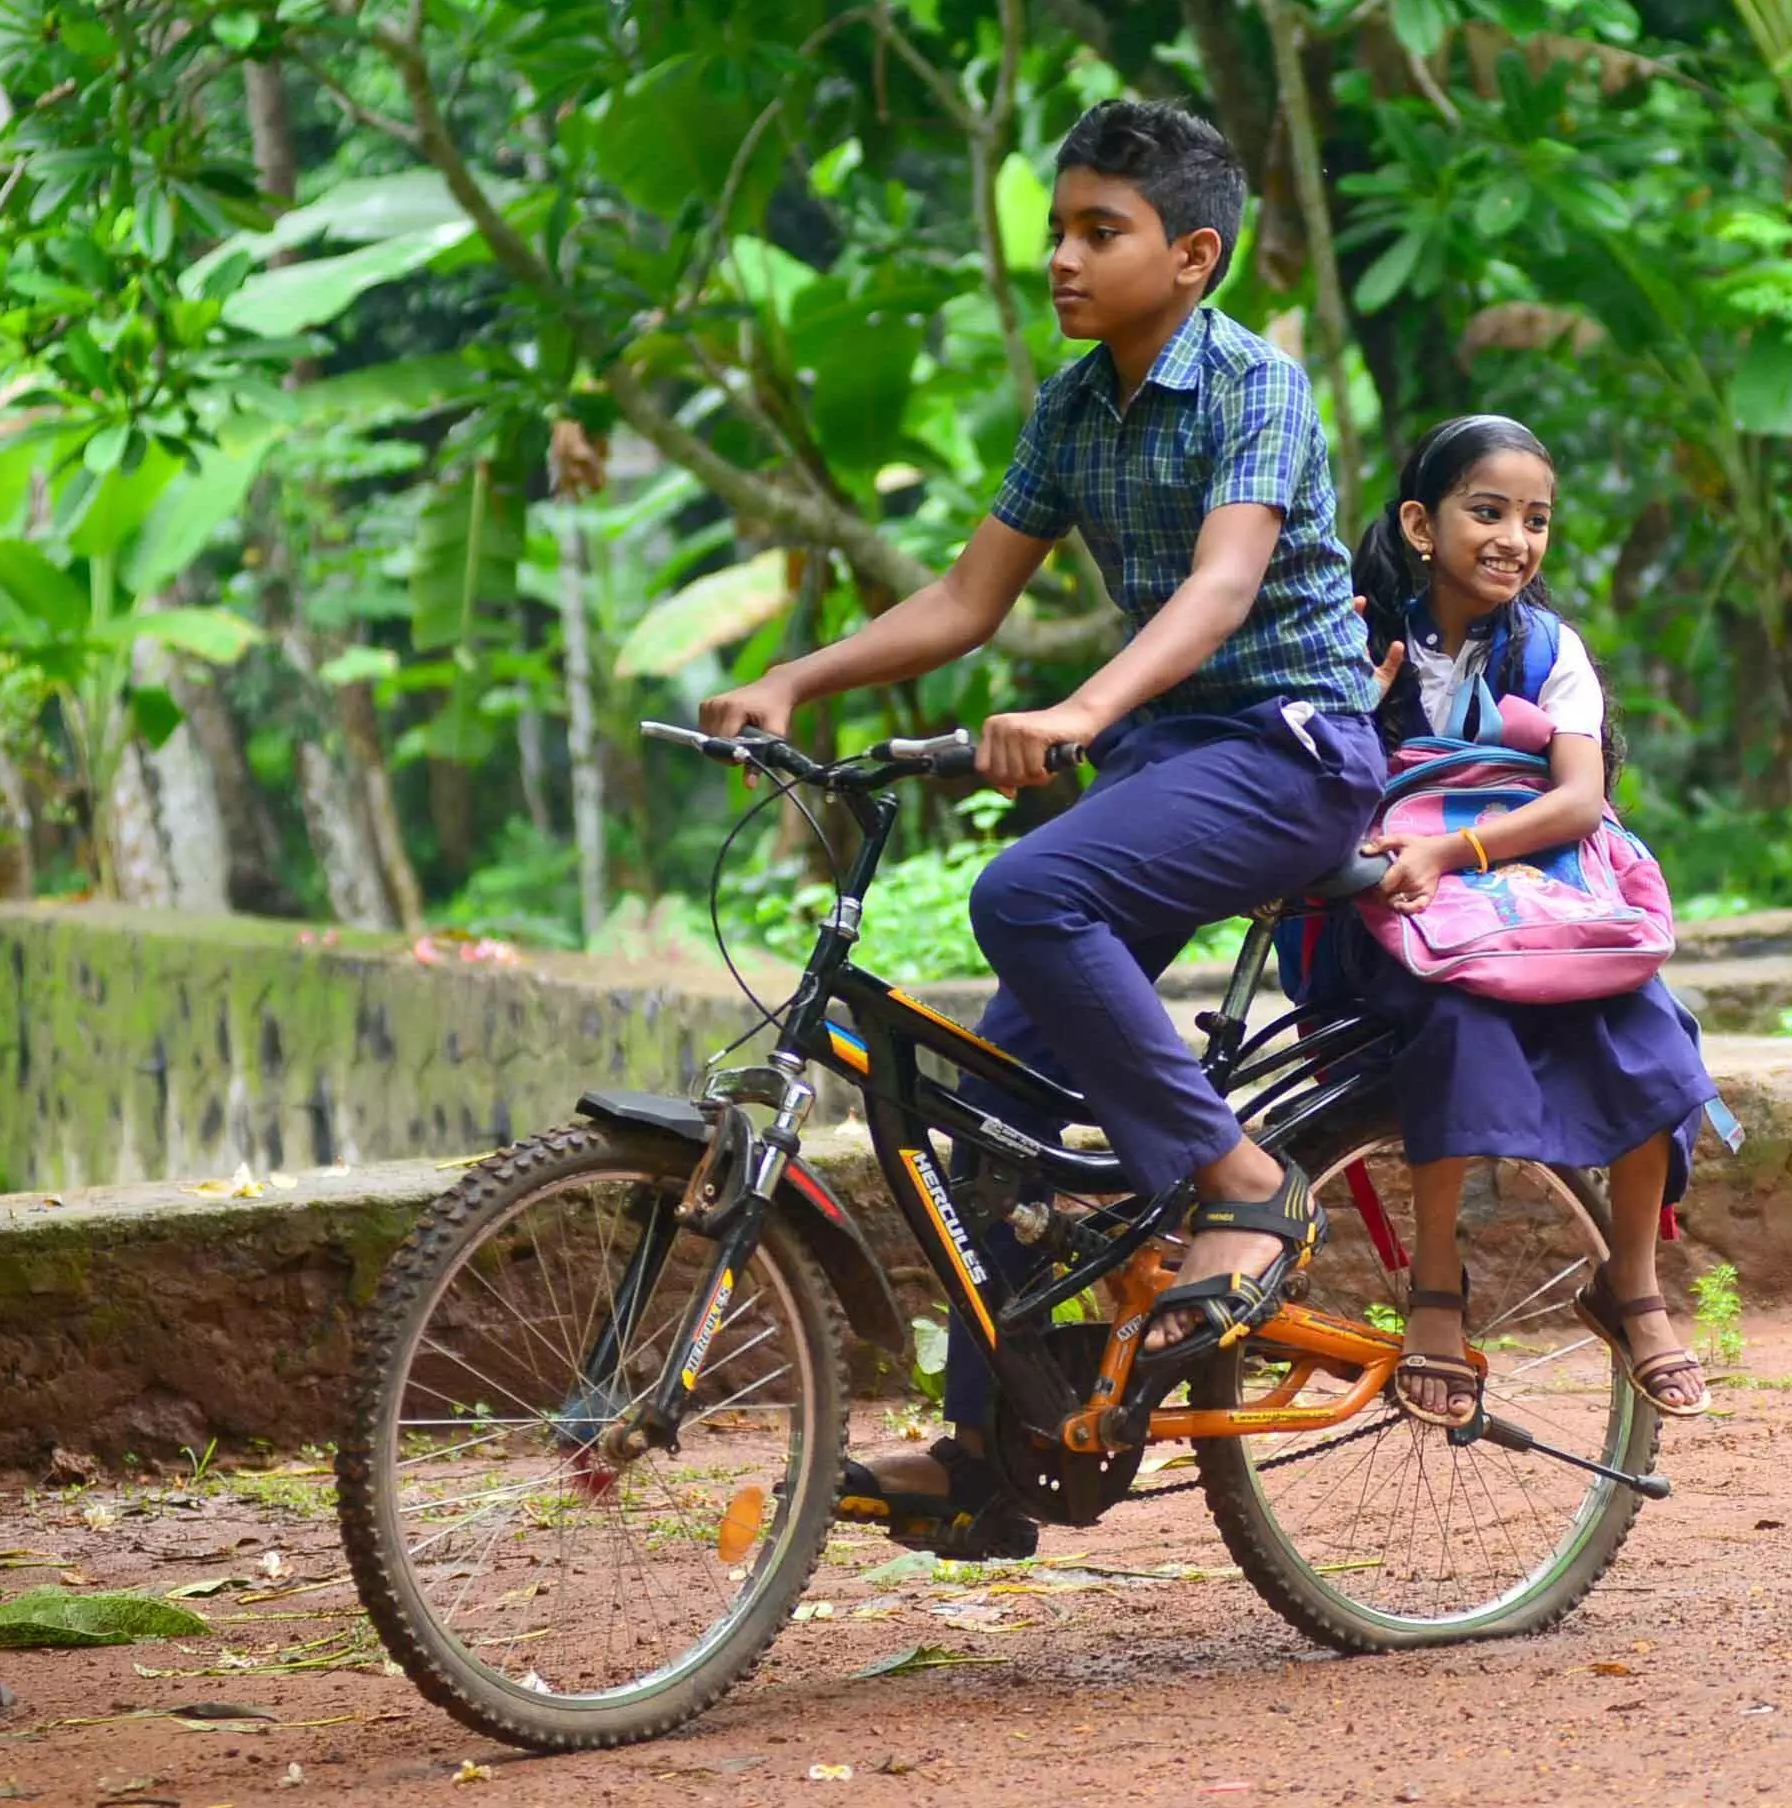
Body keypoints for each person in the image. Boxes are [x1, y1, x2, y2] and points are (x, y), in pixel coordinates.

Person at [699, 99, 1383, 1556]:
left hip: (1291, 751)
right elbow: (966, 600)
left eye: (1099, 231)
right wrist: (795, 678)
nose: (1062, 258)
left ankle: (1243, 1185)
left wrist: (1078, 710)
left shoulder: (1256, 385)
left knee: (1022, 894)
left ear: (1193, 256)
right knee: (990, 1111)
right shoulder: (1073, 407)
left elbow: (1220, 587)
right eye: (1059, 230)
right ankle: (992, 1459)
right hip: (1166, 760)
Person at [1334, 415, 1723, 1424]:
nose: (1515, 538)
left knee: (1652, 1031)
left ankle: (1630, 1282)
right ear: (1421, 524)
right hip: (1394, 910)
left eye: (1536, 519)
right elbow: (1315, 773)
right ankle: (1435, 1283)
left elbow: (1579, 802)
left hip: (1531, 897)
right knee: (1455, 1023)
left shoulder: (1551, 649)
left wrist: (1453, 848)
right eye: (1488, 512)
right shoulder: (1354, 633)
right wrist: (1359, 730)